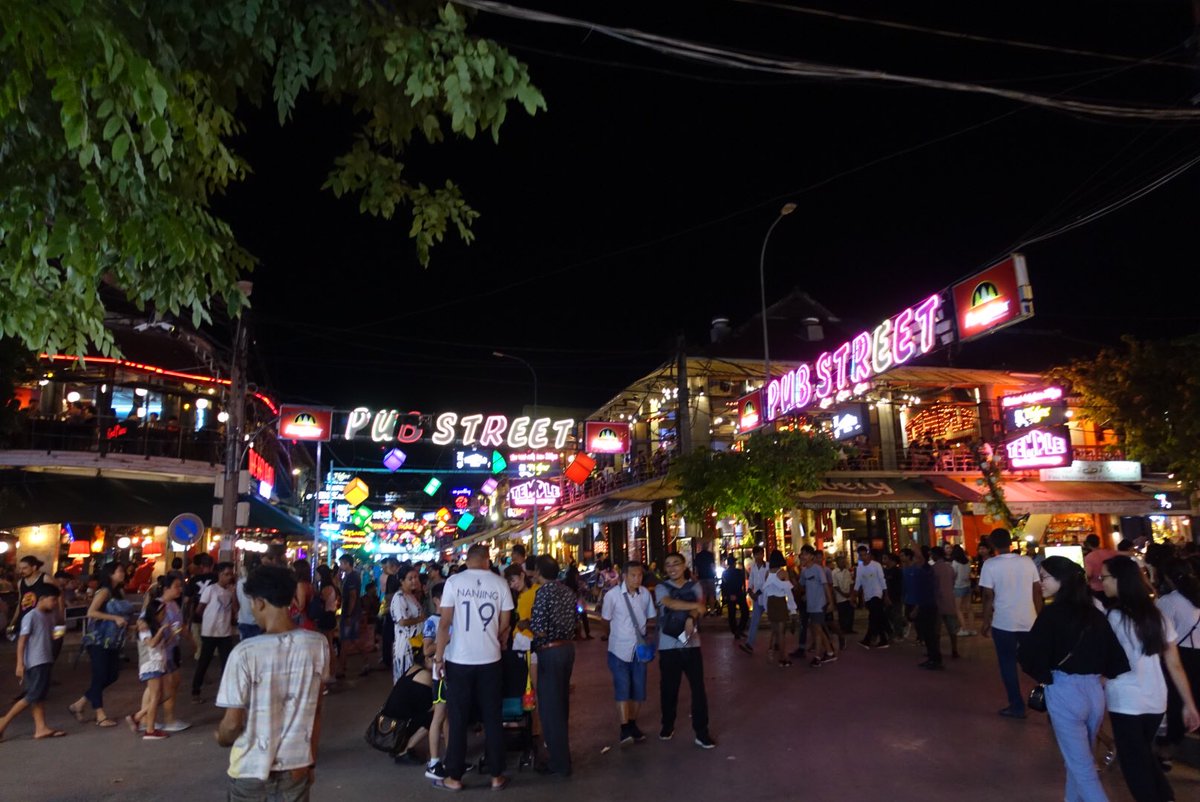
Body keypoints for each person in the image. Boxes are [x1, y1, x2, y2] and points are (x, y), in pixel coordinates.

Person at [1018, 556, 1129, 802]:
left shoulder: (1051, 614)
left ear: (1061, 580)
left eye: (1044, 577)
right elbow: (1116, 659)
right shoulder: (1095, 614)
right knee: (1078, 760)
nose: (1040, 582)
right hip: (1094, 693)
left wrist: (1046, 677)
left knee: (1082, 767)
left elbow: (1028, 655)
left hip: (1064, 690)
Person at [216, 565, 330, 801]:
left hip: (250, 769)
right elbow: (317, 711)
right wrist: (310, 762)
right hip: (296, 768)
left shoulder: (244, 653)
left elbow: (232, 724)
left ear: (259, 602)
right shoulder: (318, 644)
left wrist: (221, 736)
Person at [1101, 555, 1200, 802]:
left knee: (1134, 764)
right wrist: (1188, 704)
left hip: (1125, 699)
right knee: (1143, 755)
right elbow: (1174, 665)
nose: (1102, 582)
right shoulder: (1157, 615)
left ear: (1120, 580)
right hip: (1156, 699)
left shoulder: (1114, 617)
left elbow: (1105, 659)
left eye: (1105, 577)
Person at [432, 544, 514, 791]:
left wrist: (438, 657)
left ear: (467, 560)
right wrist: (492, 637)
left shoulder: (454, 583)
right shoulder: (500, 583)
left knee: (458, 718)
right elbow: (505, 623)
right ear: (487, 560)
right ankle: (496, 775)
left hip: (459, 660)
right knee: (492, 717)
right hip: (491, 660)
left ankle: (454, 777)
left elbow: (445, 623)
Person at [980, 527, 1043, 718]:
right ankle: (1050, 698)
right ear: (1010, 542)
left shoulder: (990, 565)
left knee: (1007, 664)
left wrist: (985, 621)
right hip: (1028, 620)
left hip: (1003, 621)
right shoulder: (1027, 561)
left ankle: (1016, 705)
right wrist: (1039, 616)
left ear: (992, 544)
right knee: (1036, 661)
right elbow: (1037, 591)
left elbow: (988, 596)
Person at [655, 551, 715, 748]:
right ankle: (667, 724)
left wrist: (691, 617)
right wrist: (695, 606)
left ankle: (701, 732)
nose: (672, 568)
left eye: (676, 563)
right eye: (668, 564)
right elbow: (670, 603)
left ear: (684, 566)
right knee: (668, 689)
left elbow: (700, 610)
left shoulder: (695, 586)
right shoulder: (661, 588)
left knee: (698, 690)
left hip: (691, 644)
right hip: (668, 646)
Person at [529, 555, 578, 777]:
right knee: (561, 704)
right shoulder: (567, 591)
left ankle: (559, 763)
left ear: (539, 572)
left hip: (550, 651)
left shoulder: (543, 593)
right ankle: (562, 757)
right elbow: (574, 620)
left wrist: (528, 627)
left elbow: (539, 628)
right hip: (567, 649)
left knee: (550, 708)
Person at [71, 562, 136, 727]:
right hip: (98, 639)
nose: (123, 573)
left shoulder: (119, 592)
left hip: (113, 640)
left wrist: (129, 626)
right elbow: (91, 612)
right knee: (100, 675)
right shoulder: (104, 591)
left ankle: (79, 704)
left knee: (112, 675)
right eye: (119, 571)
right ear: (110, 574)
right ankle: (100, 715)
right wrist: (114, 618)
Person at [0, 583, 66, 740]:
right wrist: (19, 664)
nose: (55, 603)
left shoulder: (50, 615)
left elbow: (54, 634)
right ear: (42, 598)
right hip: (36, 661)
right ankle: (4, 721)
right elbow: (22, 641)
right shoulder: (31, 616)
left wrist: (60, 628)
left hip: (45, 659)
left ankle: (40, 727)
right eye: (53, 600)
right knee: (33, 695)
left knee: (38, 696)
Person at [601, 561, 657, 745]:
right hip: (618, 649)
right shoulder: (612, 596)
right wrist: (613, 635)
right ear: (624, 576)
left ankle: (632, 724)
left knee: (638, 689)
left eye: (640, 575)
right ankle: (625, 727)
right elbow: (605, 620)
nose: (637, 579)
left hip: (638, 650)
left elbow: (650, 617)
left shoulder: (645, 594)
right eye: (633, 575)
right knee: (623, 687)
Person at [1155, 558, 1200, 765]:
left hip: (1179, 655)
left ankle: (1167, 752)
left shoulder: (1168, 601)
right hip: (1196, 654)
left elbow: (1161, 635)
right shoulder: (1195, 597)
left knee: (1174, 701)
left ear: (1167, 578)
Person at [192, 561, 237, 704]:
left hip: (225, 632)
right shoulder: (210, 589)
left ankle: (225, 692)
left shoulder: (230, 591)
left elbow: (235, 610)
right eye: (226, 574)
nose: (229, 577)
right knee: (204, 662)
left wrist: (233, 594)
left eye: (230, 574)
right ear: (219, 574)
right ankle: (195, 691)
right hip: (210, 632)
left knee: (226, 663)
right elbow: (200, 608)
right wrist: (207, 619)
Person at [128, 596, 171, 739]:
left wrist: (170, 635)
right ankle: (150, 730)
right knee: (155, 697)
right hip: (150, 664)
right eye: (162, 613)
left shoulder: (153, 626)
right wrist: (161, 630)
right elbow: (151, 644)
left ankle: (138, 716)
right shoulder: (145, 627)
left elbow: (160, 645)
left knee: (164, 694)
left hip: (158, 663)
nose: (164, 615)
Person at [421, 583, 451, 781]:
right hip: (440, 675)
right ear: (437, 601)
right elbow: (427, 649)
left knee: (448, 718)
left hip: (452, 672)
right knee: (439, 717)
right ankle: (433, 762)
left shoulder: (452, 618)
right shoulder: (432, 622)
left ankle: (451, 758)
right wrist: (445, 639)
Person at [390, 565, 424, 683]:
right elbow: (402, 621)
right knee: (406, 677)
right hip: (406, 645)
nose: (414, 580)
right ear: (402, 581)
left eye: (416, 577)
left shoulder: (410, 595)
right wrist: (420, 619)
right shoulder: (399, 597)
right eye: (410, 578)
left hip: (415, 642)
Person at [764, 551, 798, 666]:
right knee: (782, 632)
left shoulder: (767, 573)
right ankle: (783, 657)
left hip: (770, 602)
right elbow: (788, 592)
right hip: (780, 602)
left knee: (775, 631)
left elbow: (765, 592)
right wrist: (793, 609)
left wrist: (766, 607)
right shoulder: (783, 573)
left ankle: (773, 651)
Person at [854, 545, 889, 649]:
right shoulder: (860, 568)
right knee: (877, 617)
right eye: (861, 555)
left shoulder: (876, 565)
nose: (863, 557)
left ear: (868, 554)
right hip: (868, 595)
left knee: (874, 617)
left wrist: (885, 594)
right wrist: (854, 594)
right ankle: (883, 638)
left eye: (865, 555)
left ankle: (868, 639)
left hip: (877, 594)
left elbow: (882, 580)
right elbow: (858, 582)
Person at [931, 547, 961, 660]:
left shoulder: (933, 569)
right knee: (952, 628)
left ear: (935, 555)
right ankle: (954, 649)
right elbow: (953, 581)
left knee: (936, 629)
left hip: (938, 601)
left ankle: (936, 651)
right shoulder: (949, 567)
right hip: (949, 600)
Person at [738, 546, 769, 655]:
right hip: (757, 598)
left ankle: (776, 642)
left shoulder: (768, 566)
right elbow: (751, 582)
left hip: (767, 597)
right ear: (754, 556)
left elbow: (767, 583)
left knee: (775, 621)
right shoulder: (753, 568)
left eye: (760, 554)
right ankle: (749, 644)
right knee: (754, 621)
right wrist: (750, 592)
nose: (759, 556)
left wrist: (756, 593)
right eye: (757, 554)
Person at [336, 554, 362, 679]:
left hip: (351, 613)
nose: (340, 566)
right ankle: (364, 661)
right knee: (351, 640)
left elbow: (353, 596)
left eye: (341, 563)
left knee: (345, 640)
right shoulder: (348, 576)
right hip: (350, 612)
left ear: (347, 563)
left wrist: (349, 614)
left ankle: (341, 668)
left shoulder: (352, 577)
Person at [379, 558, 401, 672]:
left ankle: (387, 660)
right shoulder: (396, 577)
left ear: (393, 566)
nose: (384, 569)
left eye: (386, 566)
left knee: (387, 636)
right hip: (395, 610)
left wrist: (387, 601)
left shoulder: (392, 578)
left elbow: (390, 595)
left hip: (391, 610)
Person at [235, 555, 263, 641]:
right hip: (258, 622)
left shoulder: (240, 582)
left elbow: (238, 599)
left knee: (245, 646)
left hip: (243, 620)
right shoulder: (261, 583)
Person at [1082, 534, 1118, 601]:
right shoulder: (1110, 552)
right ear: (1099, 542)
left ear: (1088, 544)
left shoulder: (1089, 557)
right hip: (1112, 587)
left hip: (1097, 590)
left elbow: (1089, 574)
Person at [951, 545, 976, 635]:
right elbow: (969, 573)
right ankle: (972, 629)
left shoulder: (955, 562)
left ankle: (964, 629)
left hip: (958, 586)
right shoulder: (967, 561)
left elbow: (953, 574)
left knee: (958, 609)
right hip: (967, 585)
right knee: (969, 608)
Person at [721, 554, 747, 640]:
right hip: (738, 593)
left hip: (731, 595)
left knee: (732, 614)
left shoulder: (725, 573)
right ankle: (739, 629)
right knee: (744, 612)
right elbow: (740, 583)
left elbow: (724, 586)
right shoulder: (739, 572)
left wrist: (728, 595)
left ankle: (735, 630)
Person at [563, 563, 592, 640]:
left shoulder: (568, 582)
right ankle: (584, 634)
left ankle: (578, 634)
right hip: (576, 603)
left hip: (573, 603)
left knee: (579, 618)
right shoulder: (575, 583)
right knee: (581, 617)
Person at [831, 555, 855, 635]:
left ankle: (849, 628)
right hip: (840, 597)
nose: (843, 563)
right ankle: (843, 629)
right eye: (841, 561)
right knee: (842, 613)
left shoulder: (847, 571)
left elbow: (851, 583)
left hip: (848, 596)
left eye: (843, 561)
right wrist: (843, 593)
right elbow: (835, 585)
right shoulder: (834, 573)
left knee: (850, 612)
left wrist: (850, 593)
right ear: (837, 563)